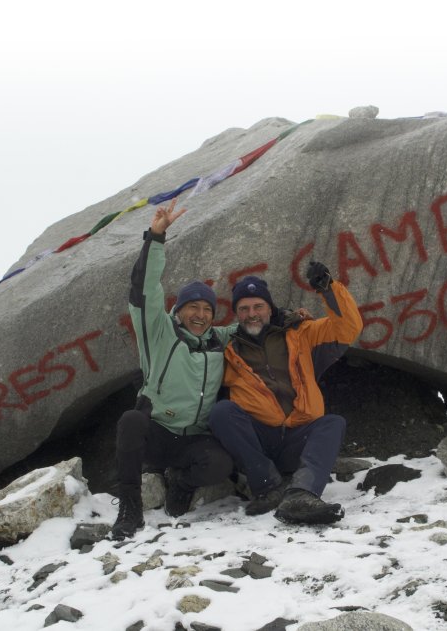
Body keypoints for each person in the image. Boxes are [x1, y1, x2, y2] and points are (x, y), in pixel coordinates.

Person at [111, 200, 235, 540]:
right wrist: (155, 237)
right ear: (178, 311)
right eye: (191, 307)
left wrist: (287, 318)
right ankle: (130, 507)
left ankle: (180, 483)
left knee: (222, 464)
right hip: (157, 431)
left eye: (206, 309)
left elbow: (255, 325)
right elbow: (145, 291)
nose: (199, 314)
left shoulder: (219, 340)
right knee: (130, 421)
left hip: (194, 438)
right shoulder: (160, 332)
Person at [208, 261, 363, 525]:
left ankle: (301, 494)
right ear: (236, 314)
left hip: (297, 436)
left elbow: (347, 327)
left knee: (332, 423)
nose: (252, 314)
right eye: (244, 309)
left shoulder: (301, 334)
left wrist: (328, 289)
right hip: (258, 439)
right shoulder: (226, 349)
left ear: (270, 308)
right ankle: (267, 485)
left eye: (258, 306)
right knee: (222, 412)